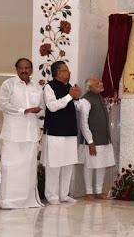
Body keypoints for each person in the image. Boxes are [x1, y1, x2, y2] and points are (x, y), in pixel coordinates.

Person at [0, 58, 44, 209]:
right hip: (13, 133)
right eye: (21, 68)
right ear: (16, 69)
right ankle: (8, 201)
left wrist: (38, 110)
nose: (24, 70)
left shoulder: (37, 86)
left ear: (31, 69)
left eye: (27, 68)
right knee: (10, 167)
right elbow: (3, 105)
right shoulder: (8, 84)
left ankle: (27, 201)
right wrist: (23, 110)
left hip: (31, 133)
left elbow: (42, 105)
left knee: (28, 168)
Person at [41, 61, 81, 205]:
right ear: (58, 73)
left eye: (68, 70)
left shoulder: (69, 87)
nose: (69, 73)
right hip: (54, 132)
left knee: (68, 164)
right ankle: (52, 195)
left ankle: (64, 194)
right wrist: (70, 96)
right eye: (66, 70)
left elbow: (74, 106)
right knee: (54, 165)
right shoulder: (49, 87)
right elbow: (52, 107)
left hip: (70, 131)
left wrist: (77, 99)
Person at [79, 77, 115, 200]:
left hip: (104, 139)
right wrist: (90, 142)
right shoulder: (85, 100)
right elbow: (84, 123)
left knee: (102, 164)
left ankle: (98, 191)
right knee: (89, 165)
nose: (101, 83)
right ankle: (89, 192)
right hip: (92, 140)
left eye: (100, 81)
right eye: (97, 83)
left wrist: (111, 104)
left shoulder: (100, 98)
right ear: (90, 87)